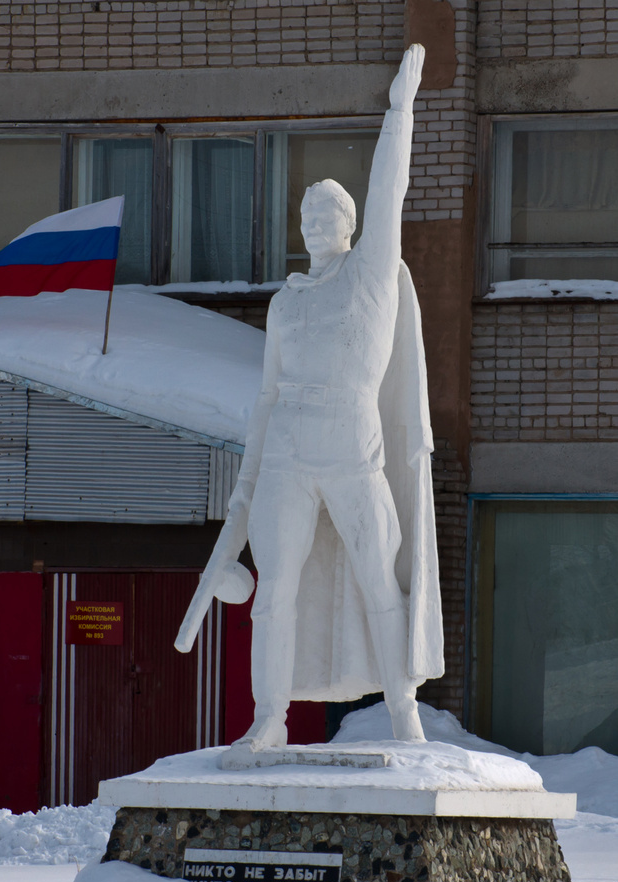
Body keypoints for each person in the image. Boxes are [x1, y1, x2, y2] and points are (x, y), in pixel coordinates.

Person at [183, 44, 444, 757]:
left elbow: (389, 188)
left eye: (325, 217)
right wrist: (243, 491)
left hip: (353, 453)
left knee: (377, 581)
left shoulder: (371, 281)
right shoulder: (285, 306)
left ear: (350, 227)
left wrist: (400, 112)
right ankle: (269, 718)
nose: (312, 227)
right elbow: (265, 399)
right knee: (274, 595)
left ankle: (402, 714)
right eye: (305, 219)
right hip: (288, 458)